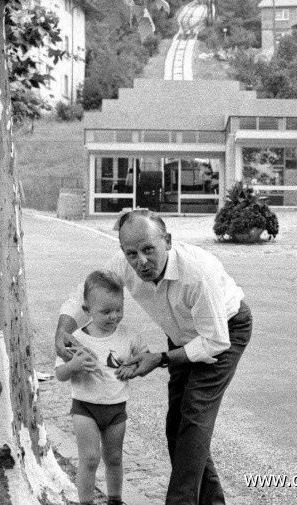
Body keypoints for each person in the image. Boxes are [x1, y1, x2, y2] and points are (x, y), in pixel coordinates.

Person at [55, 209, 252, 505]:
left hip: (222, 333)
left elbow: (214, 341)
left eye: (148, 249)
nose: (141, 262)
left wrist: (160, 358)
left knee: (194, 417)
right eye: (131, 253)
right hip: (182, 337)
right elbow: (85, 294)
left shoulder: (197, 273)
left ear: (168, 241)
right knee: (177, 428)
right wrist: (62, 331)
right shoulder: (123, 265)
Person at [55, 270, 148, 505]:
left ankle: (115, 499)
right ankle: (85, 502)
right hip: (85, 407)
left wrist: (135, 367)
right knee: (89, 458)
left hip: (116, 408)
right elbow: (59, 374)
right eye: (105, 312)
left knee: (115, 458)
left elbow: (144, 358)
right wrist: (73, 365)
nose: (114, 316)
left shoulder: (128, 336)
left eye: (119, 309)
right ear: (87, 310)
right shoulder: (76, 339)